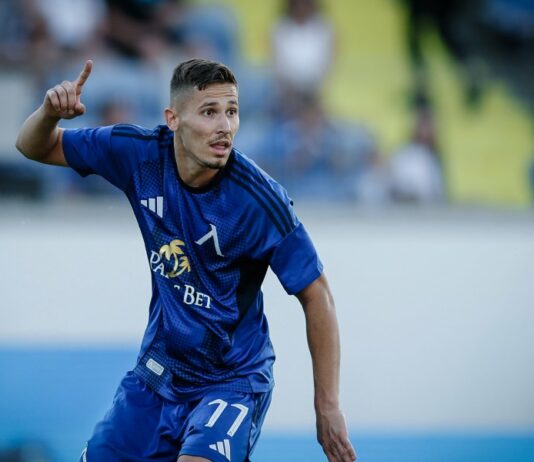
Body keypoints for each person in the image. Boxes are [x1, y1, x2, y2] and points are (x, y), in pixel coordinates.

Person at [15, 58, 356, 462]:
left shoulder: (259, 200)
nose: (224, 126)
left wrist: (327, 406)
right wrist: (49, 113)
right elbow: (33, 145)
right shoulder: (139, 155)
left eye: (232, 112)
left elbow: (317, 295)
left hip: (230, 381)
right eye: (209, 112)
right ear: (173, 119)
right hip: (157, 375)